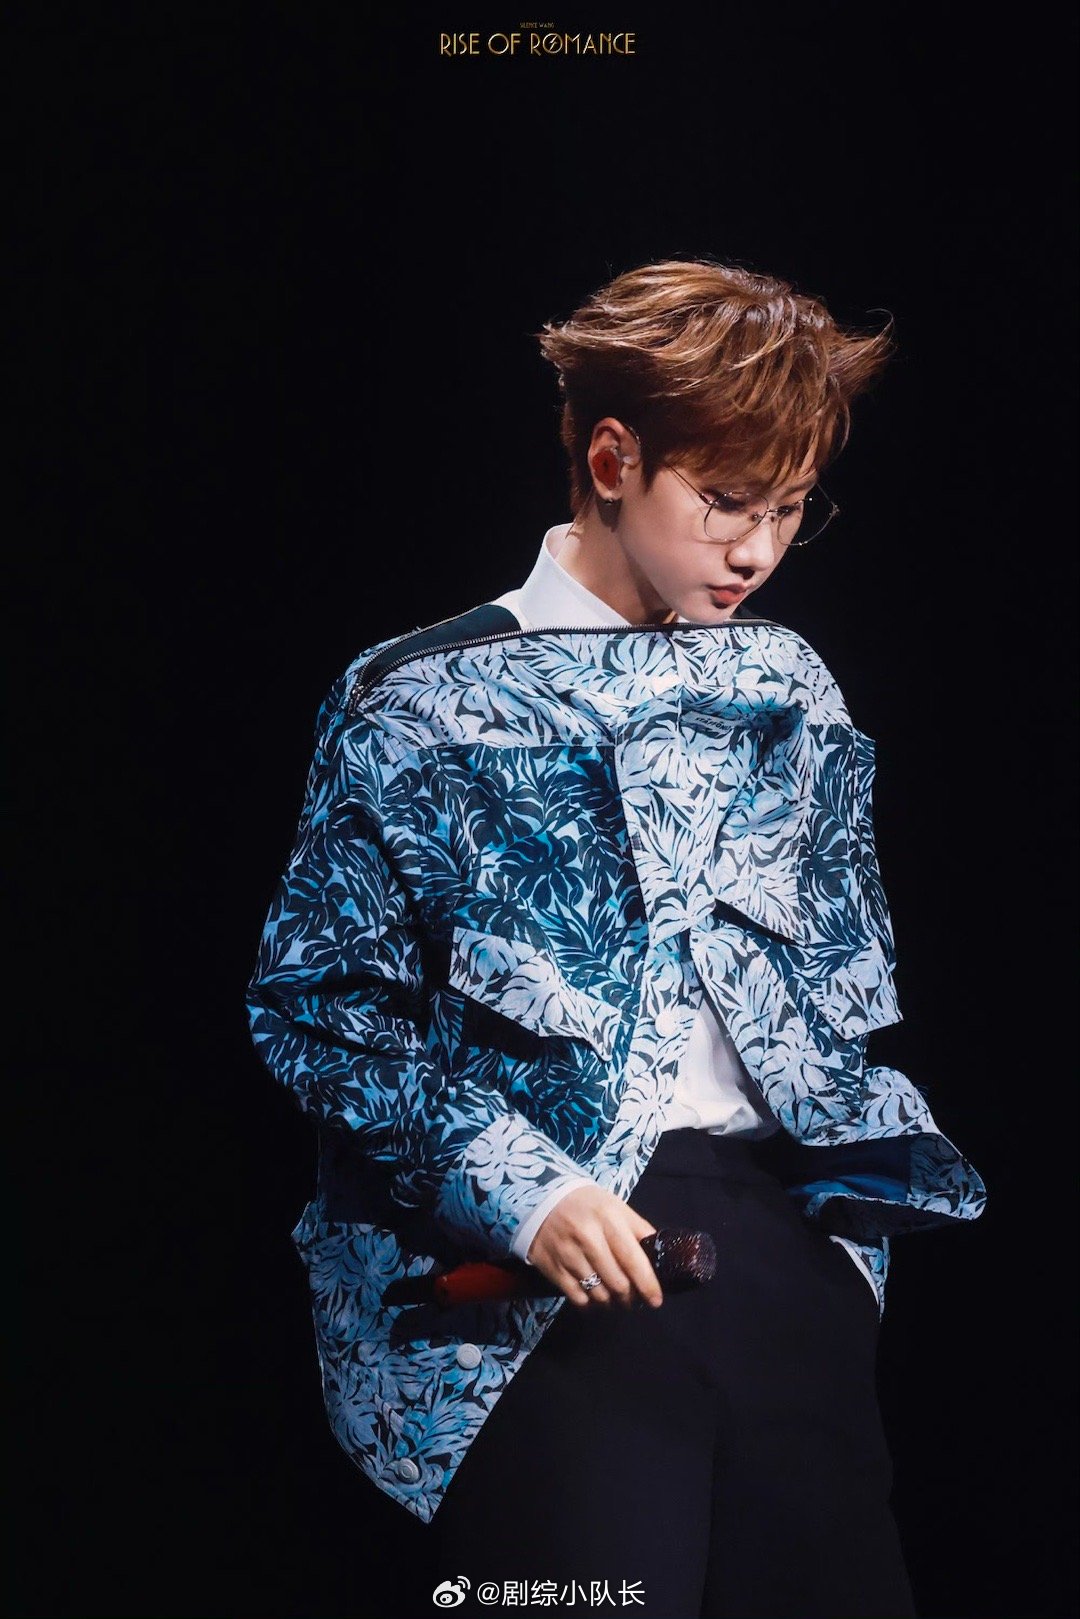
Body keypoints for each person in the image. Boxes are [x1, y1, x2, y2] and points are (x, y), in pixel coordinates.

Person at [246, 258, 987, 1618]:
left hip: (785, 1261)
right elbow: (319, 1009)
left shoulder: (791, 685)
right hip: (540, 1287)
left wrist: (839, 1256)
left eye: (789, 511)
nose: (757, 550)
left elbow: (844, 985)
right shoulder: (421, 699)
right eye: (726, 502)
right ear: (611, 459)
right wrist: (520, 1191)